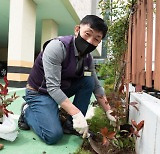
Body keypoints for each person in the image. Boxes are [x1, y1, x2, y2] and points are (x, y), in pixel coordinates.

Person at [18, 15, 116, 145]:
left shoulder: (87, 58)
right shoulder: (57, 47)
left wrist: (109, 110)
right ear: (77, 30)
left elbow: (96, 86)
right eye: (87, 34)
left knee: (88, 81)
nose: (90, 41)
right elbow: (52, 88)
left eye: (97, 39)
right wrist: (77, 113)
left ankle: (70, 126)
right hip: (39, 92)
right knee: (53, 135)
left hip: (59, 89)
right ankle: (27, 112)